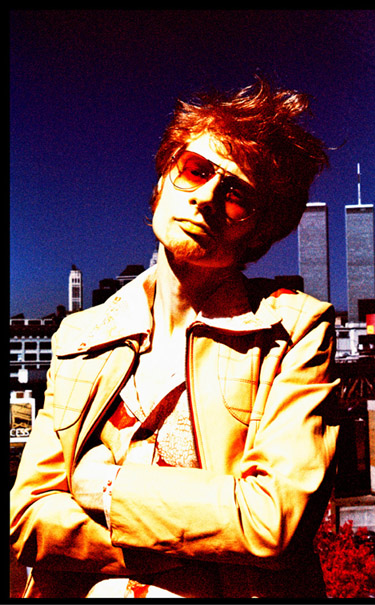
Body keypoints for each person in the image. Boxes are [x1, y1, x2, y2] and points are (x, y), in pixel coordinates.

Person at [10, 76, 340, 599]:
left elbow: (273, 521)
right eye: (196, 170)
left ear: (259, 232)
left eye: (238, 198)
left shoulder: (292, 332)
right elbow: (28, 517)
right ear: (165, 178)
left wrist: (102, 484)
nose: (206, 198)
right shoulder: (81, 335)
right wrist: (195, 544)